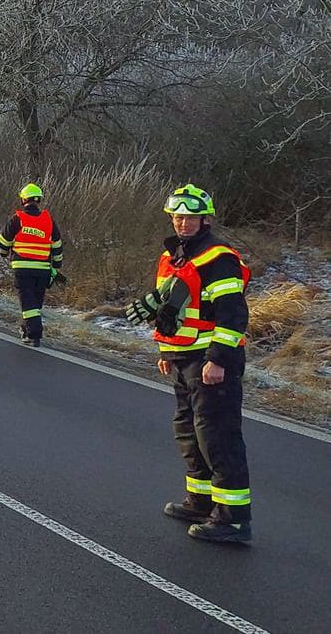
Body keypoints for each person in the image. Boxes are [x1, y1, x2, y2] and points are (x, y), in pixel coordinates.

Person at [124, 183, 252, 544]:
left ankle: (234, 518)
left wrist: (218, 360)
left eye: (190, 217)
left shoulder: (218, 257)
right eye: (178, 216)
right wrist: (166, 352)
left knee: (218, 436)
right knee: (189, 432)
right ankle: (201, 501)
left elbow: (232, 313)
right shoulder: (175, 256)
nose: (183, 223)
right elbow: (173, 312)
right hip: (183, 358)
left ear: (204, 219)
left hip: (211, 361)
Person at [0, 183, 64, 347]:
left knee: (27, 302)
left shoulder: (18, 219)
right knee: (35, 302)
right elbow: (57, 245)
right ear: (38, 200)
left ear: (23, 200)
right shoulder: (48, 220)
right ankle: (26, 330)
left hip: (23, 268)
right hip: (43, 270)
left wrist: (4, 253)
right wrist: (56, 266)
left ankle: (34, 334)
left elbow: (3, 241)